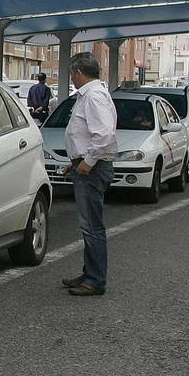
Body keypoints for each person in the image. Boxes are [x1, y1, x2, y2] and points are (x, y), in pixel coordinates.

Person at [62, 52, 118, 297]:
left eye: (72, 74)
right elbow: (84, 133)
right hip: (84, 165)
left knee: (92, 226)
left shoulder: (93, 96)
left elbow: (104, 133)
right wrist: (74, 161)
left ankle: (95, 280)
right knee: (89, 226)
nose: (72, 79)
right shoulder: (93, 95)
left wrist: (88, 160)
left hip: (92, 169)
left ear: (79, 72)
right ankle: (90, 272)